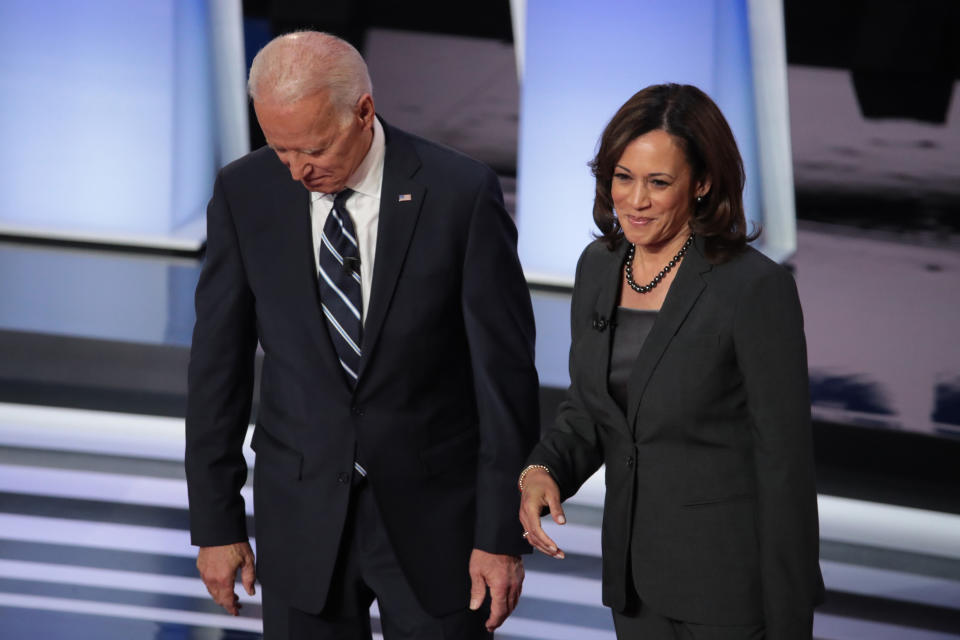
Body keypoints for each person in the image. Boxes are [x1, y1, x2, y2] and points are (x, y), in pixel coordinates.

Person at [185, 31, 540, 639]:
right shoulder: (246, 193)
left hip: (437, 526)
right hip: (299, 520)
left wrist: (500, 537)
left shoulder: (459, 194)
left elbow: (504, 381)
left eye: (314, 148)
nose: (298, 170)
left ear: (364, 112)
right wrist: (216, 523)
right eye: (280, 149)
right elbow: (218, 368)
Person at [518, 84, 824, 639]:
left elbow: (784, 467)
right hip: (635, 590)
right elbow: (592, 409)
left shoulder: (753, 288)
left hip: (730, 592)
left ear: (702, 183)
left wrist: (789, 618)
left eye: (658, 182)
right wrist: (544, 468)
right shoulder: (598, 266)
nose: (635, 200)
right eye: (623, 177)